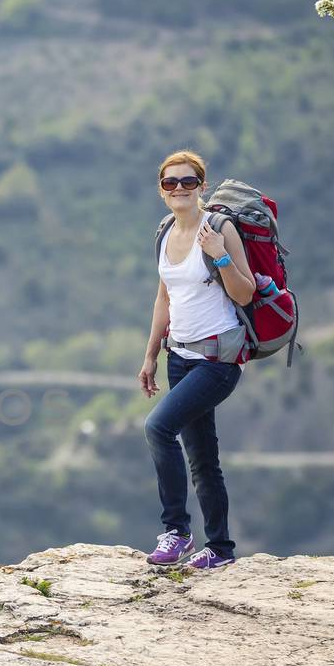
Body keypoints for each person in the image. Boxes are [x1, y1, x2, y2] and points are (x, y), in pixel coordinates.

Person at [137, 150, 255, 569]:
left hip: (218, 361)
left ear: (202, 186)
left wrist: (220, 254)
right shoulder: (166, 233)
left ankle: (177, 532)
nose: (180, 189)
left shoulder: (218, 228)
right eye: (171, 183)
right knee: (203, 458)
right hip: (180, 358)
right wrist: (151, 355)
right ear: (162, 191)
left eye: (189, 182)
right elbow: (164, 297)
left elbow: (244, 293)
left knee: (157, 427)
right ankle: (220, 549)